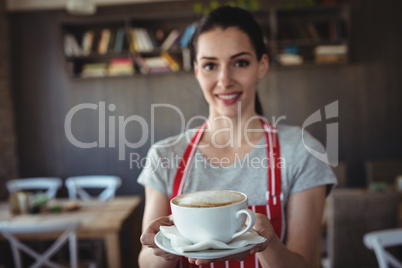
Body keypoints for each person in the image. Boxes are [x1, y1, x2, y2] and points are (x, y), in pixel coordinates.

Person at [138, 5, 336, 268]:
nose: (224, 80)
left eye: (240, 63)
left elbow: (306, 264)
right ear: (197, 71)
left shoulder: (302, 151)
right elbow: (145, 264)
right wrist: (164, 246)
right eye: (210, 65)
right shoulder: (164, 155)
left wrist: (268, 244)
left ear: (262, 65)